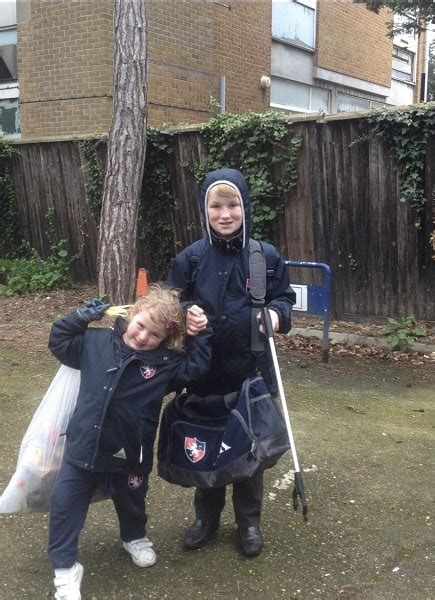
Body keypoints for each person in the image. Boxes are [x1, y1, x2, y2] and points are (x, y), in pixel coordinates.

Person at [47, 284, 212, 600]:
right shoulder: (95, 342)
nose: (142, 337)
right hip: (84, 447)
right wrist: (82, 316)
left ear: (165, 340)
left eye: (154, 335)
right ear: (131, 314)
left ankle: (134, 536)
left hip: (131, 453)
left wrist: (201, 332)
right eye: (140, 326)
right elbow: (59, 341)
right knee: (65, 505)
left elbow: (197, 367)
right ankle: (65, 569)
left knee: (132, 500)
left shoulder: (165, 363)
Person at [166, 167, 296, 557]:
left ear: (245, 206)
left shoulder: (265, 257)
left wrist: (275, 315)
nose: (225, 214)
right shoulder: (189, 259)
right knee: (207, 445)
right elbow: (169, 304)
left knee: (247, 452)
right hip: (204, 373)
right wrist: (185, 312)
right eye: (216, 206)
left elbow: (285, 299)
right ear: (205, 210)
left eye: (232, 205)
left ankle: (249, 523)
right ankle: (206, 518)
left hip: (250, 373)